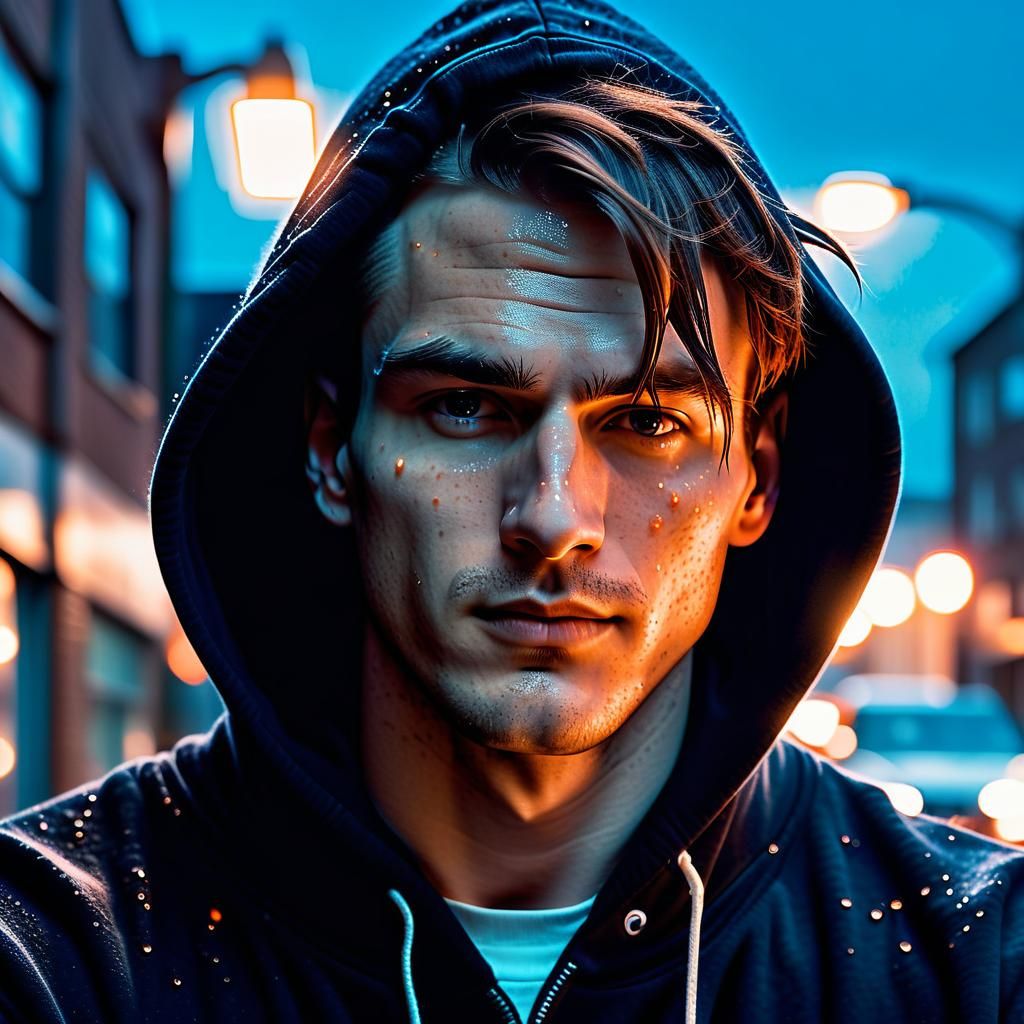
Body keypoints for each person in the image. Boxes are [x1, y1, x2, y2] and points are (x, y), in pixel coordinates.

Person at [1, 0, 1022, 1021]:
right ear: (331, 451)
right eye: (465, 407)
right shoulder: (60, 956)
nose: (555, 513)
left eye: (649, 423)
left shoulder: (975, 965)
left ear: (756, 478)